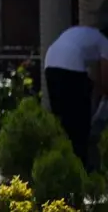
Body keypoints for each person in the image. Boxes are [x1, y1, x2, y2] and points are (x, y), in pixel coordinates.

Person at [44, 23, 108, 166]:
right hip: (71, 63)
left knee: (60, 119)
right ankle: (79, 164)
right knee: (79, 121)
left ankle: (60, 161)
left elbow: (97, 81)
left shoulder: (89, 35)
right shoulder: (105, 42)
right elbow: (105, 80)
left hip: (50, 61)